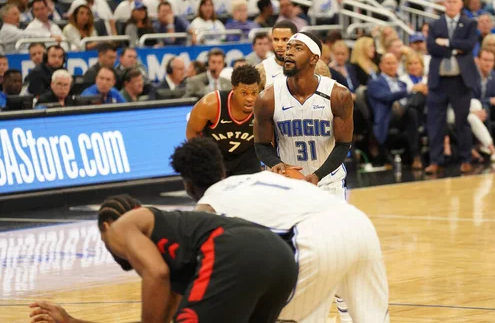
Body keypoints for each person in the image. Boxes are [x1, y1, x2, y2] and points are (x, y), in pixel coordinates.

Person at [170, 137, 389, 323]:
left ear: (187, 185)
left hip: (317, 238)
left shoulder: (206, 209)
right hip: (357, 223)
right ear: (221, 169)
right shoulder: (260, 178)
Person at [29, 194, 297, 322]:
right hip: (281, 255)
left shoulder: (121, 226)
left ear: (106, 228)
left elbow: (156, 273)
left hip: (233, 249)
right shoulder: (184, 259)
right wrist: (73, 322)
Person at [254, 31, 353, 198]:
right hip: (287, 183)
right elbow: (261, 144)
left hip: (328, 182)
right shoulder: (267, 97)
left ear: (314, 58)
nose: (289, 52)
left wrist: (317, 175)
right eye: (288, 48)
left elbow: (343, 145)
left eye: (298, 48)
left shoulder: (338, 94)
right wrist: (276, 163)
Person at [426, 0, 478, 174]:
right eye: (448, 1)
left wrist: (446, 43)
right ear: (444, 3)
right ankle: (435, 160)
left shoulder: (470, 23)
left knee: (462, 121)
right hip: (438, 81)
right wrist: (456, 49)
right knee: (435, 122)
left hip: (460, 81)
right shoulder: (435, 23)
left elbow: (470, 45)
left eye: (454, 1)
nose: (451, 4)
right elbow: (431, 47)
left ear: (461, 4)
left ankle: (466, 159)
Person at [186, 65, 262, 176]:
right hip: (215, 158)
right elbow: (192, 133)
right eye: (244, 93)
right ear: (233, 88)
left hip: (247, 159)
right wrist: (204, 159)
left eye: (254, 93)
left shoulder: (264, 105)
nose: (250, 98)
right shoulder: (211, 104)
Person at [256, 21, 331, 91]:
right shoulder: (262, 70)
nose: (279, 44)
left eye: (285, 39)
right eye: (276, 39)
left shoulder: (318, 66)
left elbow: (328, 97)